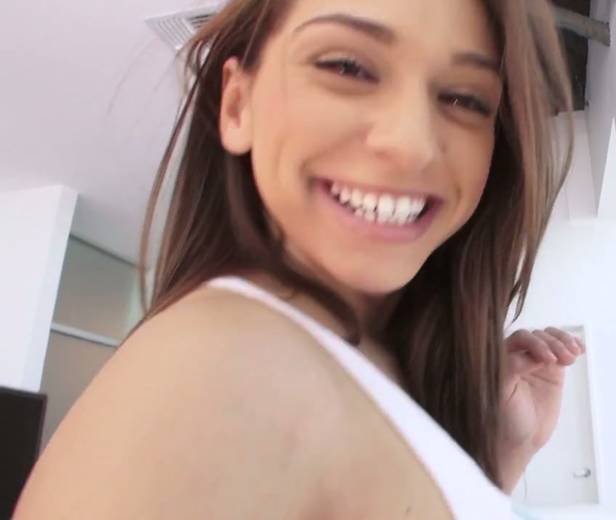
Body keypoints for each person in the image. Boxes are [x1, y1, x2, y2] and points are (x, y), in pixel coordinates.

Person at [15, 0, 581, 517]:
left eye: (465, 98)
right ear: (237, 105)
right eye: (347, 67)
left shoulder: (359, 352)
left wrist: (495, 459)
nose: (411, 143)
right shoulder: (213, 381)